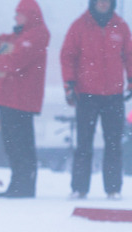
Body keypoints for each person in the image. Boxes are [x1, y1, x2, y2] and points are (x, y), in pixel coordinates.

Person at [0, 0, 50, 198]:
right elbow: (0, 45)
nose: (16, 18)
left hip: (21, 100)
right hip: (11, 99)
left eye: (19, 14)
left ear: (30, 15)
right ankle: (19, 184)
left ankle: (23, 185)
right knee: (12, 144)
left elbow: (15, 60)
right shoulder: (20, 36)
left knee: (20, 145)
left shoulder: (35, 36)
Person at [60, 0, 132, 199]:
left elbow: (129, 55)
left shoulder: (122, 27)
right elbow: (67, 56)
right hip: (87, 95)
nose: (103, 3)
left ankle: (113, 189)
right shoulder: (79, 26)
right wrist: (69, 84)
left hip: (114, 96)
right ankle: (79, 188)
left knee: (114, 144)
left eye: (107, 0)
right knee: (83, 144)